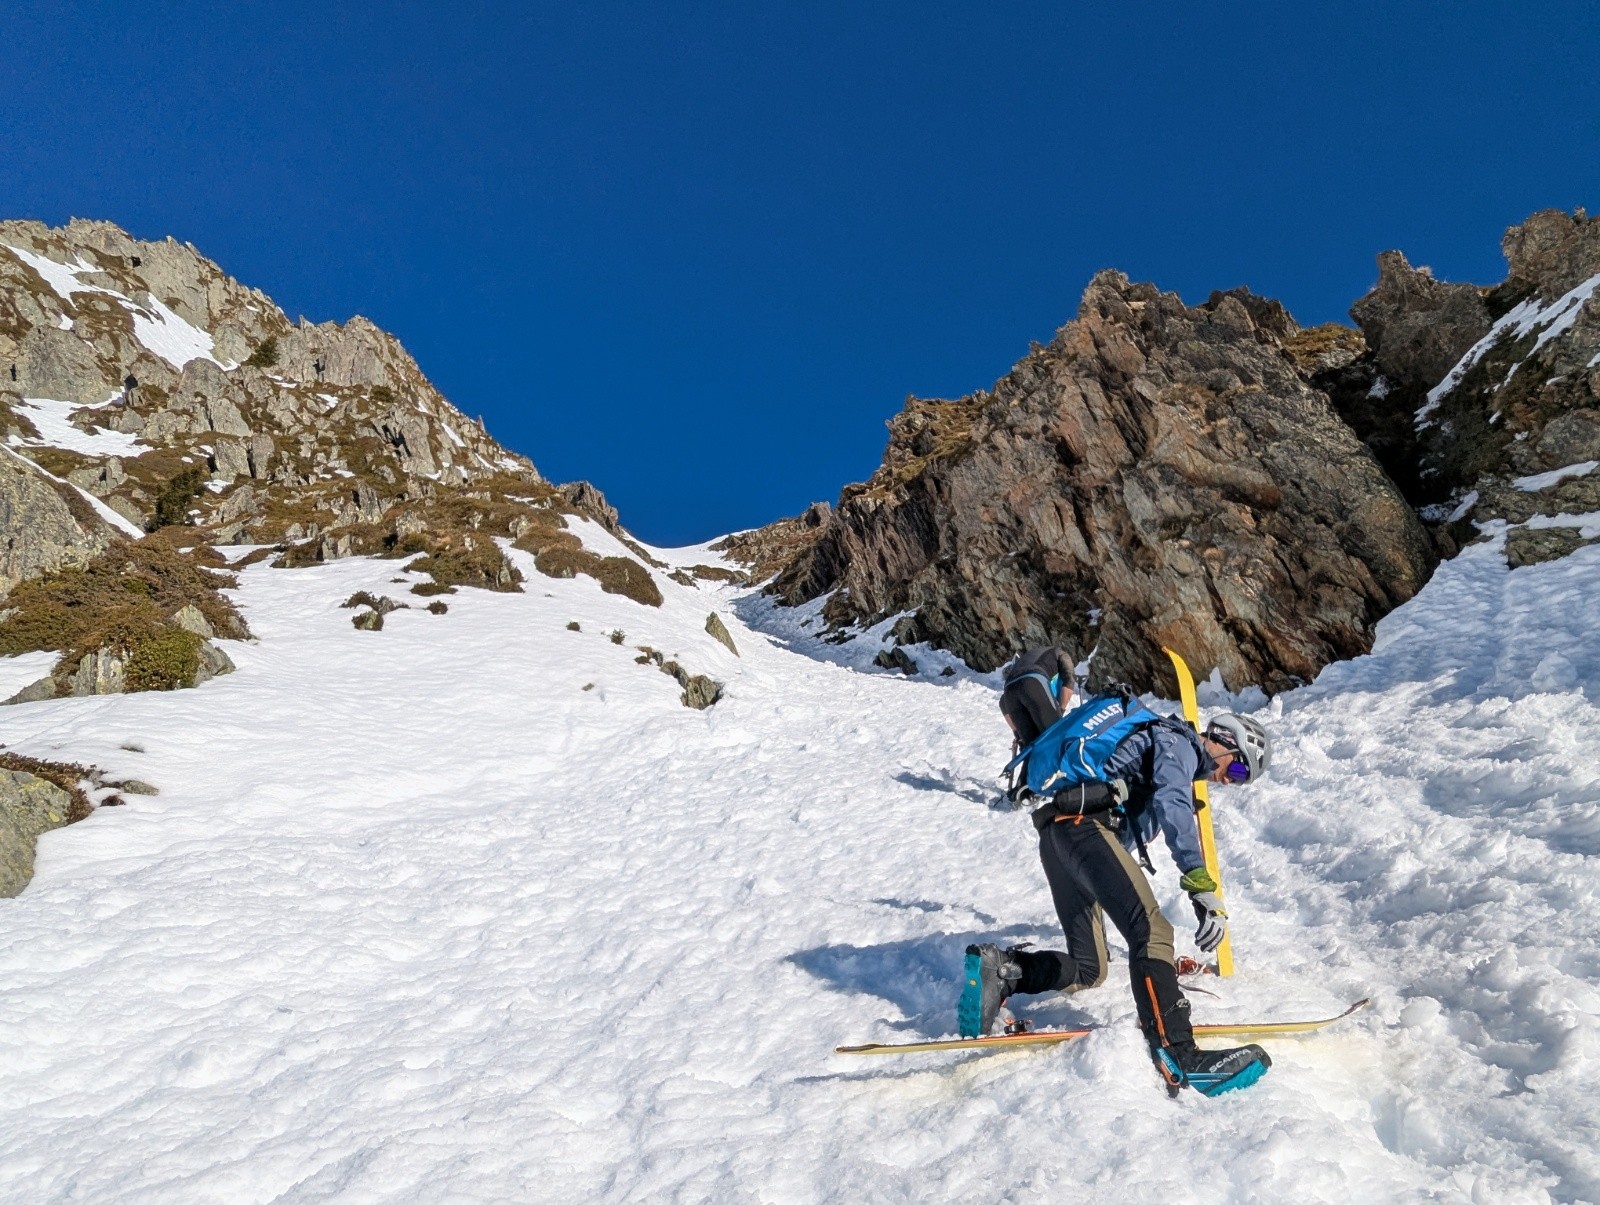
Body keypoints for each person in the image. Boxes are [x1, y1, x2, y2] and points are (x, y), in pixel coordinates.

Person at [960, 703, 1275, 1097]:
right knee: (1153, 932)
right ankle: (1179, 1053)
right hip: (1084, 829)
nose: (1230, 781)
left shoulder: (1161, 748)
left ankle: (1005, 972)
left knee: (1089, 969)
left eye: (1241, 780)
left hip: (1059, 834)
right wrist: (1199, 884)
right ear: (1224, 740)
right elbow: (1174, 806)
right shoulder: (1178, 744)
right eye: (1239, 769)